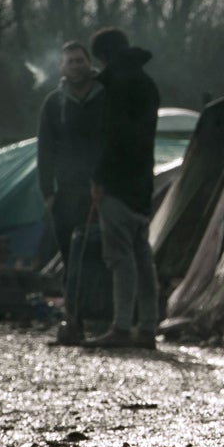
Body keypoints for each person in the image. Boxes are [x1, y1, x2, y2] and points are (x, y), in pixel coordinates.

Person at [84, 27, 160, 350]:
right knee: (143, 258)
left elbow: (111, 137)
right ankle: (147, 328)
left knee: (120, 258)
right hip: (142, 183)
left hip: (116, 183)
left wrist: (98, 179)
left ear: (103, 56)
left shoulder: (115, 85)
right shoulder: (147, 84)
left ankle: (120, 326)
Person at [36, 41, 105, 345]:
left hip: (102, 189)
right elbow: (45, 149)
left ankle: (102, 320)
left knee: (103, 255)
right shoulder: (54, 103)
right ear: (62, 68)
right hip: (66, 191)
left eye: (80, 61)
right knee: (70, 256)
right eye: (70, 62)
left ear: (89, 63)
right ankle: (73, 320)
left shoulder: (105, 97)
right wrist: (47, 191)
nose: (76, 66)